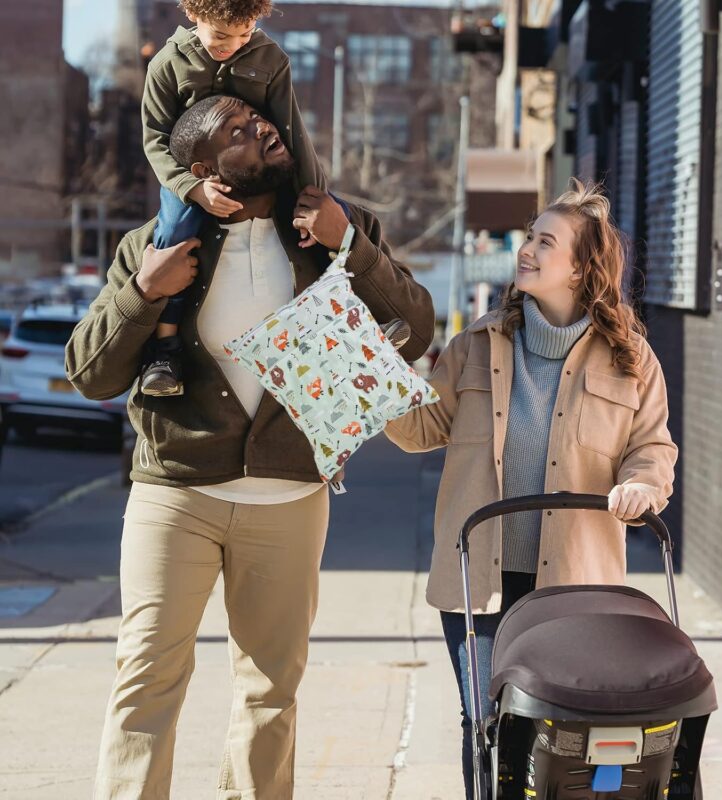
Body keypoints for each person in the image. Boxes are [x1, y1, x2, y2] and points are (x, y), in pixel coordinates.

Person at [66, 95, 434, 800]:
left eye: (263, 121)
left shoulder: (331, 228)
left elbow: (413, 331)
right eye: (239, 130)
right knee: (146, 679)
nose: (264, 129)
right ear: (202, 167)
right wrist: (144, 291)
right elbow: (91, 372)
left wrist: (349, 245)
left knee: (271, 691)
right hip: (175, 492)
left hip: (291, 498)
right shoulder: (156, 243)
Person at [384, 180, 678, 798]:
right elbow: (419, 430)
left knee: (564, 729)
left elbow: (652, 450)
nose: (527, 250)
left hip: (576, 584)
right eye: (528, 237)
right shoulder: (472, 348)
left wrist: (640, 487)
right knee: (486, 725)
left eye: (546, 242)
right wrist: (373, 376)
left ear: (582, 268)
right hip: (478, 581)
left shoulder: (632, 360)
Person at [140, 0, 326, 397]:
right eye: (222, 36)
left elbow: (291, 129)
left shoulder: (270, 57)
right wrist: (191, 189)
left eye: (245, 34)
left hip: (262, 174)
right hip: (190, 180)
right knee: (174, 233)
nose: (235, 45)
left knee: (331, 220)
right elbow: (155, 140)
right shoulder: (166, 65)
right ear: (193, 14)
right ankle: (165, 349)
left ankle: (363, 314)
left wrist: (315, 193)